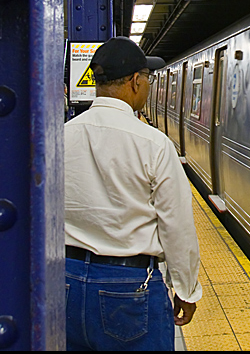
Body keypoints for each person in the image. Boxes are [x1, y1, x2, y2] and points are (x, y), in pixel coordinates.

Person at [64, 37, 202, 350]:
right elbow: (176, 226)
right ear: (135, 82)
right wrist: (186, 289)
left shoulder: (61, 136)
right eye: (148, 79)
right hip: (128, 288)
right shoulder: (153, 144)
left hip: (65, 281)